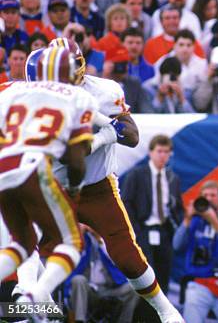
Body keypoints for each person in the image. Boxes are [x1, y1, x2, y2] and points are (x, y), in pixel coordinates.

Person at [19, 41, 183, 323]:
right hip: (53, 185)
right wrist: (100, 135)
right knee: (23, 241)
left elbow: (131, 136)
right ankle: (27, 304)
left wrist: (103, 134)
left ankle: (167, 311)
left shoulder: (102, 91)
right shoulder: (29, 98)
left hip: (97, 188)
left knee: (127, 255)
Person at [0, 47, 96, 311]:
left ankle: (31, 294)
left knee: (22, 243)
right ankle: (35, 297)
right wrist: (75, 189)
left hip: (3, 169)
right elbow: (76, 160)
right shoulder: (79, 97)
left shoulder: (13, 91)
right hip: (33, 167)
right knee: (72, 241)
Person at [173, 180, 218, 322]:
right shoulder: (194, 221)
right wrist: (187, 219)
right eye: (205, 195)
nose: (209, 199)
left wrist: (214, 221)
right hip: (199, 283)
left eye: (213, 195)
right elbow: (176, 245)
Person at [121, 135, 184, 293]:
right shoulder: (137, 174)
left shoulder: (172, 178)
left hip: (164, 232)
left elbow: (178, 207)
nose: (163, 155)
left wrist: (175, 225)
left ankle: (161, 316)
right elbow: (126, 202)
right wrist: (135, 230)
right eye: (159, 151)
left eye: (166, 152)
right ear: (151, 152)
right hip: (144, 230)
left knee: (164, 276)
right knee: (147, 277)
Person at [64, 227, 139, 323]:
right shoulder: (81, 239)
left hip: (112, 289)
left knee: (133, 288)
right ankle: (79, 321)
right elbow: (74, 262)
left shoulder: (113, 240)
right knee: (78, 280)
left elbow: (119, 262)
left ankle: (124, 321)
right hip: (89, 291)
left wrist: (100, 241)